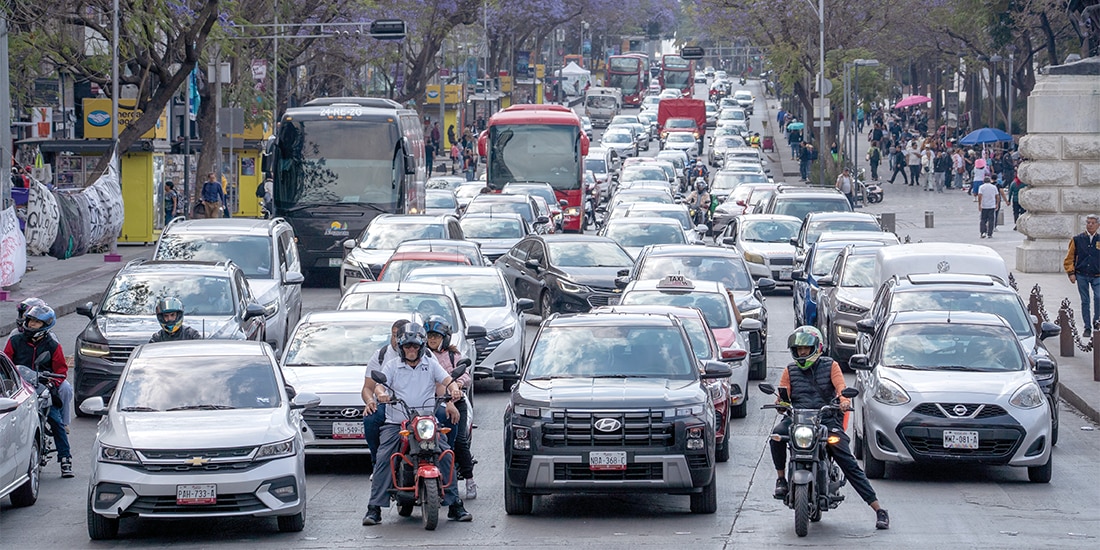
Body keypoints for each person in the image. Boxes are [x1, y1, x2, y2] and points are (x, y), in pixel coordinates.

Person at [770, 326, 889, 530]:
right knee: (777, 436)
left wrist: (844, 401)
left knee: (846, 459)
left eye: (806, 349)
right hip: (798, 420)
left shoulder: (831, 365)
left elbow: (841, 388)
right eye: (799, 349)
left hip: (826, 419)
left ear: (816, 348)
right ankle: (781, 479)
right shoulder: (789, 370)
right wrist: (780, 404)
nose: (802, 353)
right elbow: (783, 398)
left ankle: (878, 508)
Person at [360, 323, 472, 526]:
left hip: (427, 421)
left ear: (421, 347)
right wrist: (382, 394)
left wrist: (454, 390)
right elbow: (378, 386)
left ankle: (455, 504)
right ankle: (374, 508)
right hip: (398, 423)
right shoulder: (392, 366)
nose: (411, 350)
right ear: (401, 348)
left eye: (414, 346)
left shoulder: (430, 363)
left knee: (446, 454)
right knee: (385, 457)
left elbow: (447, 380)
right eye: (407, 346)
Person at [4, 305, 74, 478]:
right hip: (19, 388)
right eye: (30, 321)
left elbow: (61, 371)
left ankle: (65, 459)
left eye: (36, 322)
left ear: (45, 325)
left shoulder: (53, 345)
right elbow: (5, 365)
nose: (31, 324)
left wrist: (51, 384)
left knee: (56, 420)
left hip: (42, 387)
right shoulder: (15, 341)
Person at [424, 316, 477, 500]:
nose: (432, 339)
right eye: (429, 336)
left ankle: (469, 479)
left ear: (444, 338)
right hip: (431, 404)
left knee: (459, 441)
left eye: (436, 336)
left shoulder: (454, 355)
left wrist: (457, 387)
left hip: (455, 403)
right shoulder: (422, 356)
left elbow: (465, 376)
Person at [1063, 214, 1100, 337]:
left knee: (1098, 297)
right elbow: (1070, 257)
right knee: (1085, 301)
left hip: (1097, 275)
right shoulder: (1077, 239)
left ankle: (1096, 321)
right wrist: (1071, 273)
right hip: (1082, 274)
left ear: (1098, 225)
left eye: (1093, 223)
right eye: (1088, 222)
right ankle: (1087, 327)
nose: (1090, 225)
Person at [977, 175, 1000, 239]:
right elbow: (997, 196)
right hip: (991, 205)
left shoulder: (981, 187)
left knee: (983, 219)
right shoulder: (994, 187)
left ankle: (983, 232)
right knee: (991, 220)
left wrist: (979, 204)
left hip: (984, 205)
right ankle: (990, 233)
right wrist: (997, 204)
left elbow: (980, 196)